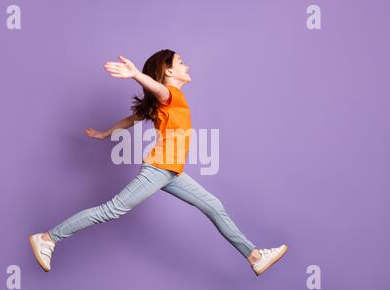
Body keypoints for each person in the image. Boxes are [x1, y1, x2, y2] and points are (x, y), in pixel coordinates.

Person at [29, 49, 288, 276]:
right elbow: (160, 89)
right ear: (168, 70)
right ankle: (47, 238)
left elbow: (131, 119)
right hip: (159, 168)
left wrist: (106, 133)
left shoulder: (165, 102)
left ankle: (254, 257)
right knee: (112, 210)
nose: (187, 65)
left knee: (213, 206)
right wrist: (136, 75)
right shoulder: (171, 94)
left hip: (172, 172)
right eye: (181, 61)